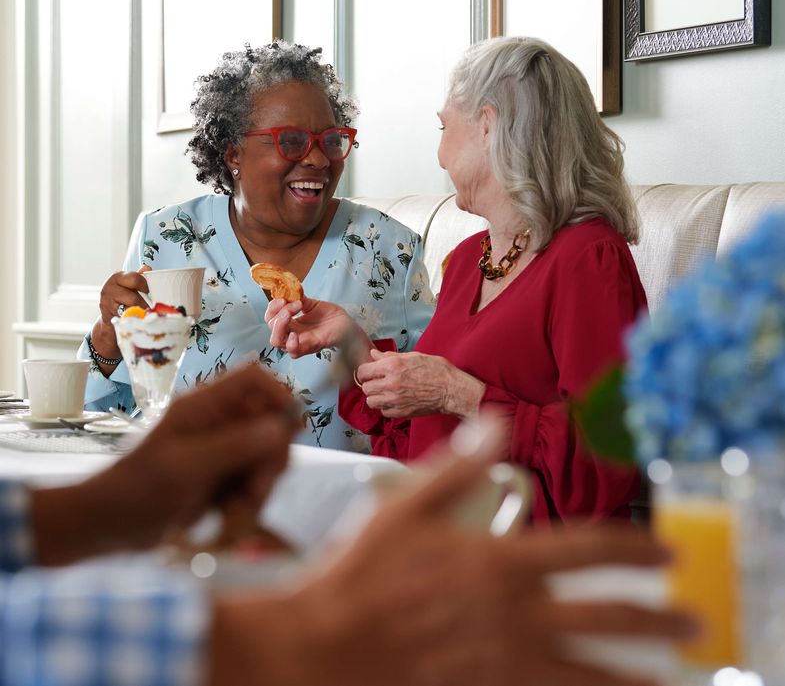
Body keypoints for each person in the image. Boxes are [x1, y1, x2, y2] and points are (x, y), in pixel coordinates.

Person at [0, 365, 696, 686]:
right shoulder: (467, 262)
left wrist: (91, 509)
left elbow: (608, 452)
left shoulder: (584, 257)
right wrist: (290, 639)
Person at [266, 37, 648, 523]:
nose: (440, 155)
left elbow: (608, 463)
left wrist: (460, 394)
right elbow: (423, 444)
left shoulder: (588, 258)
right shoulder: (472, 258)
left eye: (444, 127)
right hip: (441, 541)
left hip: (529, 563)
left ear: (488, 127)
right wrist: (349, 343)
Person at [80, 41, 435, 450]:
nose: (319, 160)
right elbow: (104, 415)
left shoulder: (390, 249)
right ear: (233, 154)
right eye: (292, 141)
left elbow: (431, 415)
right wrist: (107, 336)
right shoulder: (165, 236)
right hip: (191, 500)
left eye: (331, 140)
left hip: (340, 504)